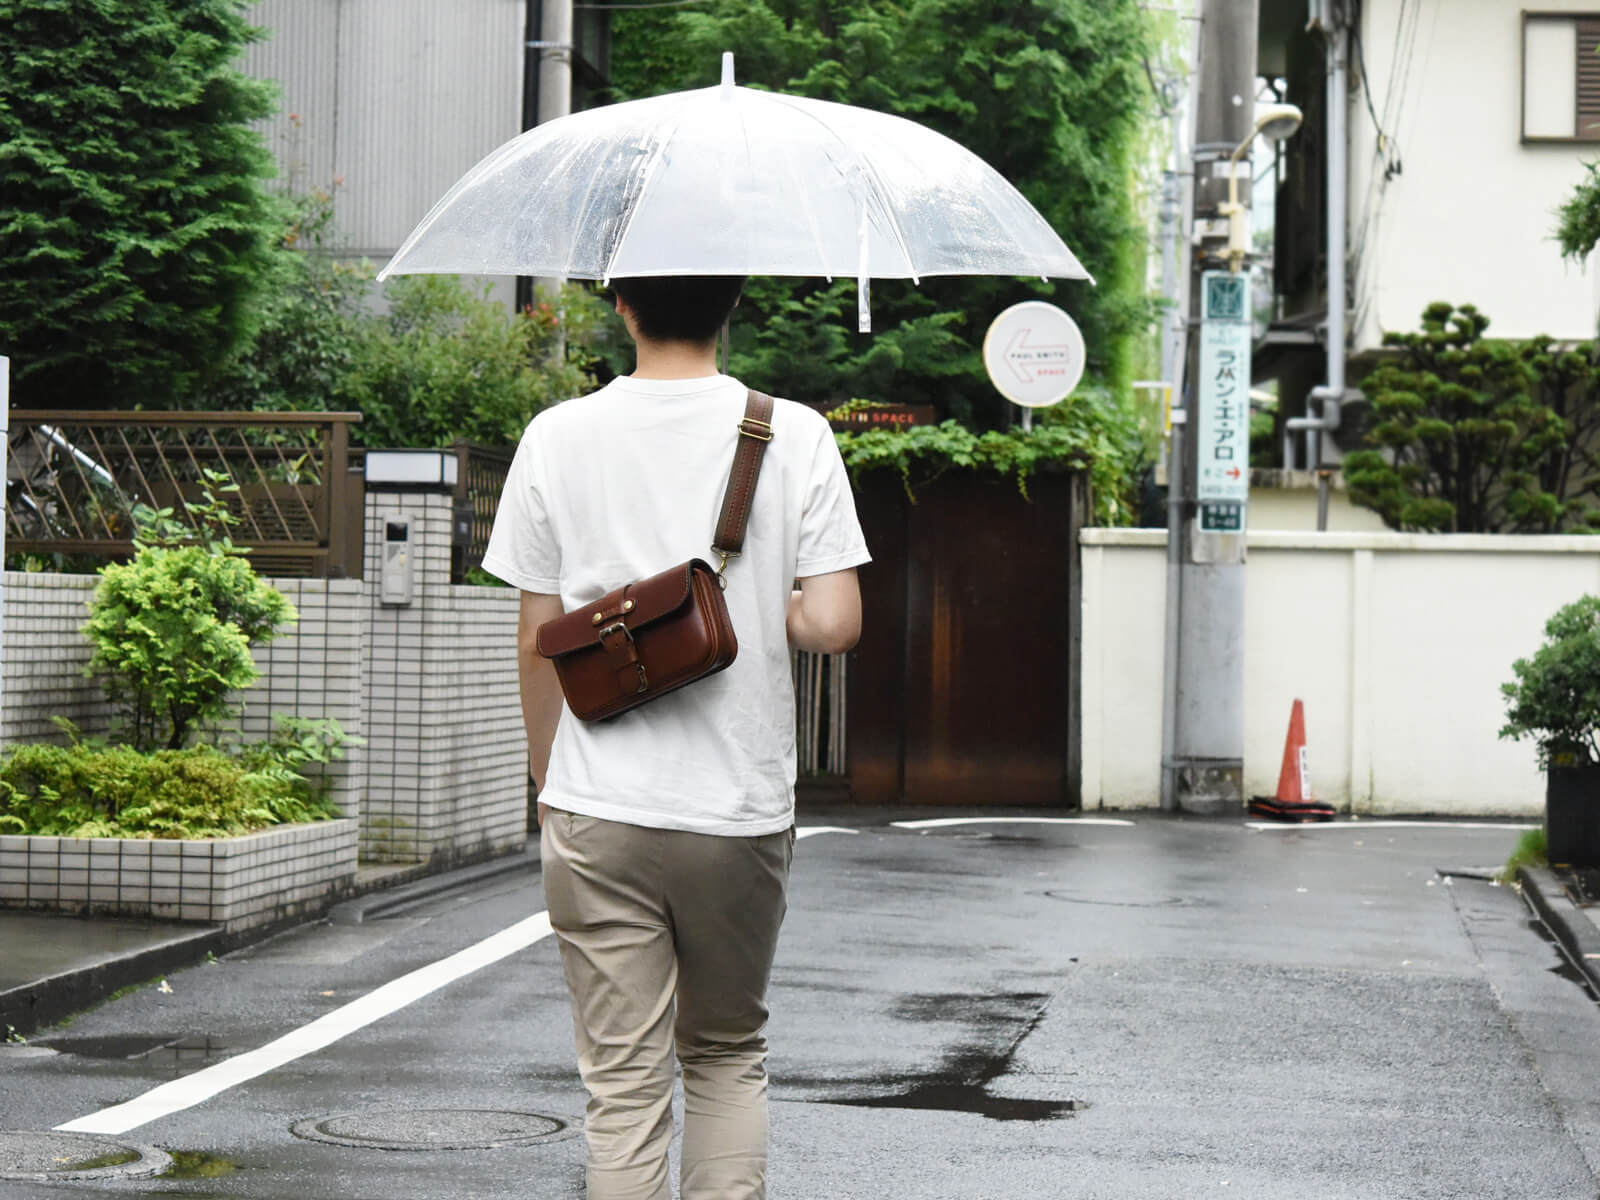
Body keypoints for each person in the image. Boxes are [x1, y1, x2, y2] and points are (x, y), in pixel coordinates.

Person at [480, 274, 869, 1200]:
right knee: (727, 1053)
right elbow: (838, 622)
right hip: (734, 806)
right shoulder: (792, 431)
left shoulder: (556, 436)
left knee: (621, 1087)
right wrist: (758, 603)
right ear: (730, 305)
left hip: (595, 803)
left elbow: (541, 644)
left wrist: (550, 777)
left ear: (622, 307)